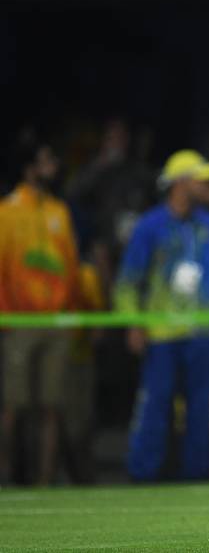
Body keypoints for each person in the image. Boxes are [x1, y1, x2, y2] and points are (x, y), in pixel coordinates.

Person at [114, 150, 209, 482]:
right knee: (155, 407)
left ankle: (196, 478)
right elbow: (128, 282)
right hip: (161, 334)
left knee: (201, 411)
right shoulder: (150, 226)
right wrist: (133, 322)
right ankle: (142, 476)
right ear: (182, 183)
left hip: (204, 333)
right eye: (202, 179)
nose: (208, 185)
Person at [0, 144, 79, 485]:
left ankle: (44, 482)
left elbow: (72, 267)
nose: (53, 166)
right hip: (18, 321)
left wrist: (72, 314)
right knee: (13, 407)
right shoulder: (7, 211)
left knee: (52, 405)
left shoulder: (59, 211)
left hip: (56, 322)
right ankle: (5, 477)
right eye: (46, 160)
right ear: (29, 168)